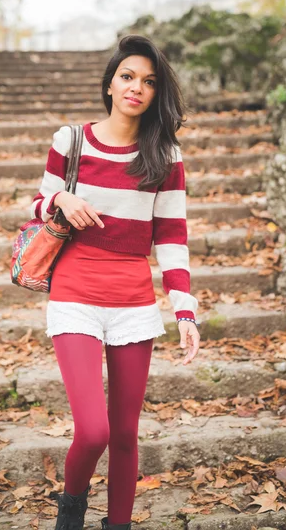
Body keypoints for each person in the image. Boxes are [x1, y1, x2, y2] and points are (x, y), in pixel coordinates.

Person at [31, 34, 201, 530]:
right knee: (93, 430)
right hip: (75, 292)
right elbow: (38, 204)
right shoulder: (72, 139)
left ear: (156, 93)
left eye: (149, 82)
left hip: (132, 300)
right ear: (109, 83)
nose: (136, 88)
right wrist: (62, 200)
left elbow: (171, 237)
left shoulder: (164, 154)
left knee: (125, 433)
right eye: (127, 76)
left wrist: (184, 311)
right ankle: (71, 511)